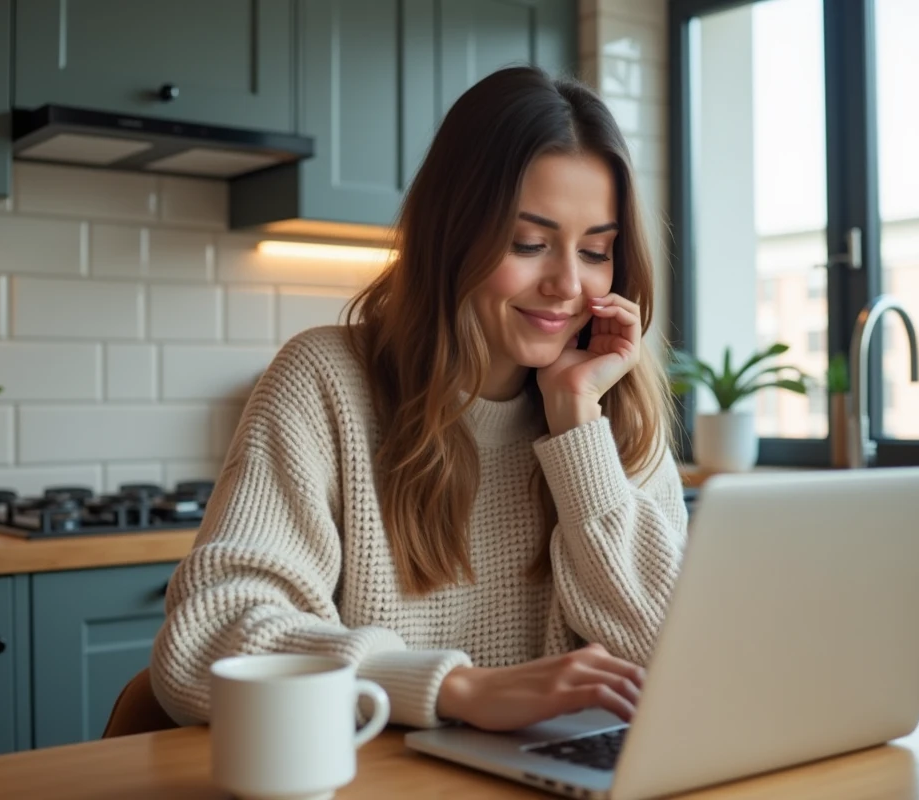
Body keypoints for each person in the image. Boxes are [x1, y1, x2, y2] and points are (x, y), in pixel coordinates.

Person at [150, 64, 689, 733]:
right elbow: (207, 641)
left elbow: (674, 659)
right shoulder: (324, 381)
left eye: (596, 251)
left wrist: (576, 425)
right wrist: (454, 688)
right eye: (529, 243)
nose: (567, 284)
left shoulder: (615, 415)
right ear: (452, 231)